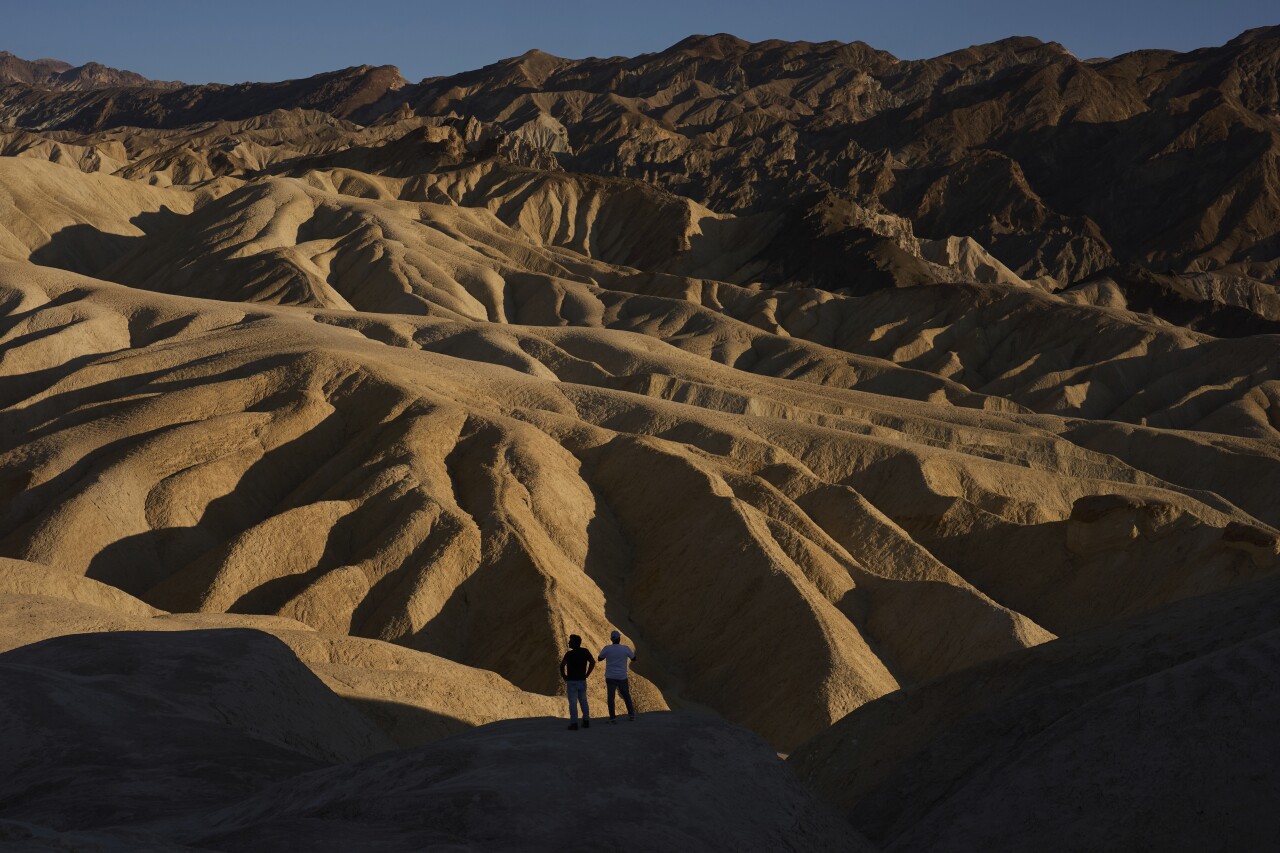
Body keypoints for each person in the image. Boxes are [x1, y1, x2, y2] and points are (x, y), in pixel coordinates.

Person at [597, 630, 637, 722]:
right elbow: (633, 658)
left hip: (610, 676)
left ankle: (612, 717)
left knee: (611, 697)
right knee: (626, 695)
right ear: (619, 638)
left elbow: (599, 658)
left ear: (611, 639)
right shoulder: (625, 648)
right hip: (622, 677)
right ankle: (631, 715)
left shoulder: (607, 648)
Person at [559, 634, 594, 730]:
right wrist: (587, 674)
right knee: (583, 701)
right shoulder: (585, 651)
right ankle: (586, 721)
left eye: (570, 641)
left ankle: (574, 723)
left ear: (574, 643)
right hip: (582, 681)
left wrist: (564, 676)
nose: (569, 642)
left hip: (572, 682)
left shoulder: (569, 654)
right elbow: (592, 662)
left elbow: (562, 666)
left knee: (573, 703)